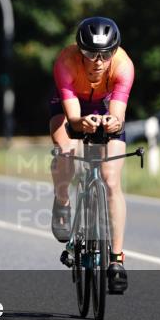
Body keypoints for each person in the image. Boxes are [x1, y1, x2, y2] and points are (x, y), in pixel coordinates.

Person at [48, 17, 135, 294]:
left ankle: (117, 260)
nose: (98, 61)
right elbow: (72, 118)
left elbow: (119, 116)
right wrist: (79, 124)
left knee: (111, 180)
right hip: (71, 102)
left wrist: (113, 124)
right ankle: (62, 201)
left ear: (115, 50)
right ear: (78, 49)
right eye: (90, 53)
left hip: (106, 102)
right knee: (66, 151)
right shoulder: (65, 63)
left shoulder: (123, 66)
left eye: (106, 54)